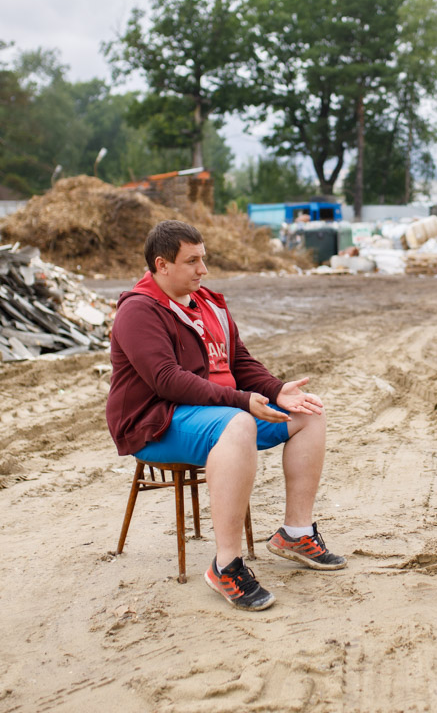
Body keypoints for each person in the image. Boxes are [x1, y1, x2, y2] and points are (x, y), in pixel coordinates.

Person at [106, 220, 346, 611]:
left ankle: (295, 533)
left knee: (308, 413)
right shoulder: (138, 311)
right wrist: (240, 400)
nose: (204, 270)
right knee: (238, 423)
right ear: (162, 265)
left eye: (205, 259)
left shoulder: (210, 303)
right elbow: (167, 381)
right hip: (158, 422)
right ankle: (226, 565)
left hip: (218, 413)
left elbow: (239, 361)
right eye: (193, 261)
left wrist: (275, 389)